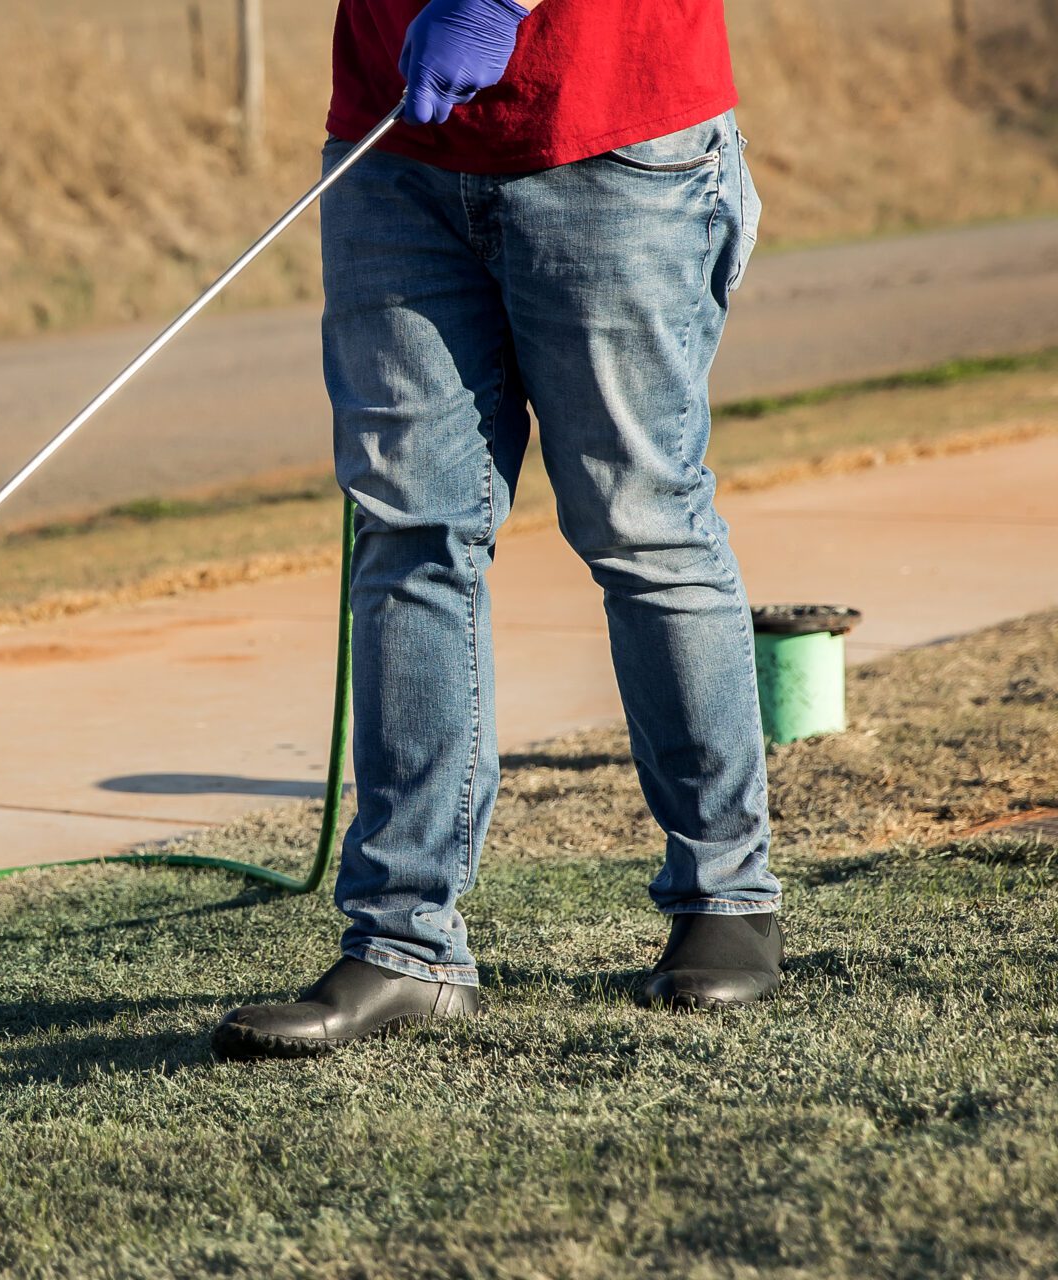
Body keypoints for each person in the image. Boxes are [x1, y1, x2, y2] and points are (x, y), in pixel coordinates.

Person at [213, 0, 779, 1060]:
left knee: (641, 525)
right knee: (409, 537)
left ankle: (726, 896)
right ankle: (404, 942)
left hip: (612, 132)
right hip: (396, 147)